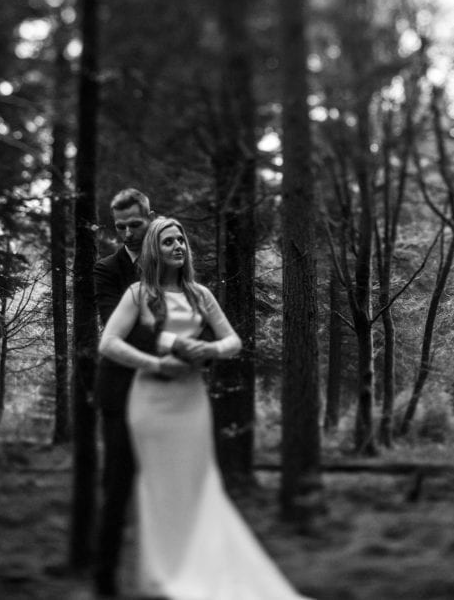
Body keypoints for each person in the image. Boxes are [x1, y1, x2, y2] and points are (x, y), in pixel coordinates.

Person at [99, 217, 310, 600]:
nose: (178, 246)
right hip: (149, 400)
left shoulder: (200, 295)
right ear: (153, 250)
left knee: (197, 484)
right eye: (168, 242)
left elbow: (233, 342)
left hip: (191, 400)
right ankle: (163, 572)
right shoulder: (137, 294)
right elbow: (109, 343)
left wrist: (209, 349)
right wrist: (156, 364)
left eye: (181, 240)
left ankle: (200, 565)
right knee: (157, 486)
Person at [92, 188, 187, 597]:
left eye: (135, 224)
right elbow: (121, 328)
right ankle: (105, 581)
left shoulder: (175, 265)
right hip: (122, 394)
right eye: (120, 226)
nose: (128, 233)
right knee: (117, 487)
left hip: (168, 396)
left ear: (152, 218)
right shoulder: (106, 270)